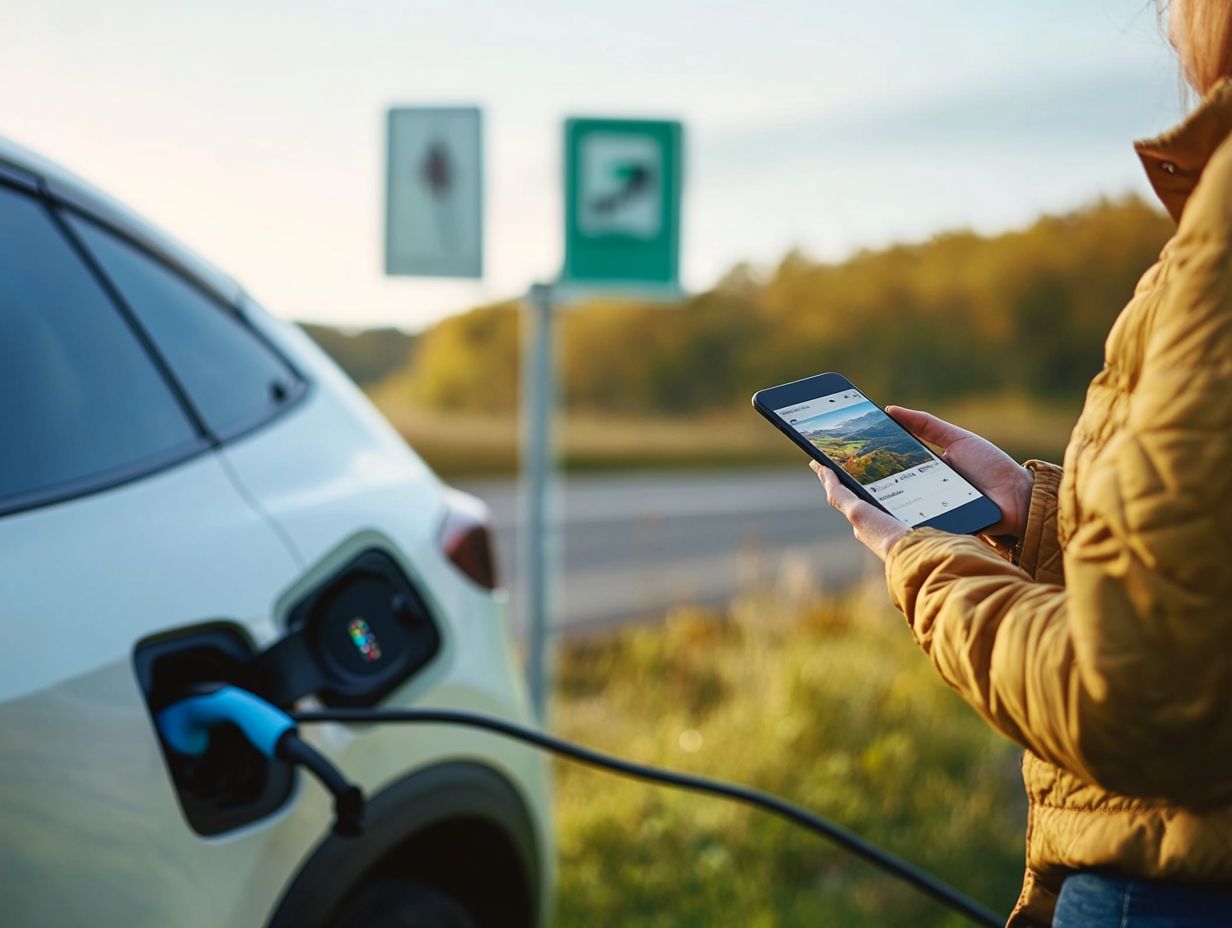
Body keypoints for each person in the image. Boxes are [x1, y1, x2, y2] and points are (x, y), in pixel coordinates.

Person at [812, 2, 1232, 926]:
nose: (1167, 26)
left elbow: (1135, 698)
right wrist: (1027, 507)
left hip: (1173, 883)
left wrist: (921, 559)